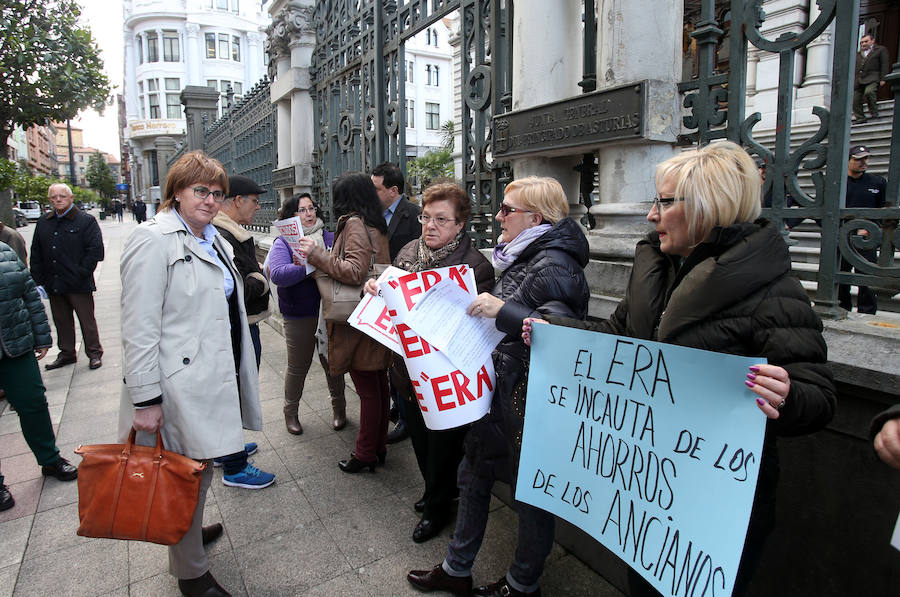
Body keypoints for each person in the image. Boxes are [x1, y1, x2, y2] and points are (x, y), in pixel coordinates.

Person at [522, 141, 836, 597]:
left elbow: (818, 394)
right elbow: (619, 336)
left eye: (663, 202)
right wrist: (556, 334)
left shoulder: (773, 290)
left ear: (709, 206)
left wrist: (787, 395)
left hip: (716, 509)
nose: (651, 215)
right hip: (649, 496)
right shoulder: (654, 268)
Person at [407, 176, 589, 597]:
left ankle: (523, 584)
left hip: (530, 403)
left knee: (531, 496)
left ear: (535, 217)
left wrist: (502, 310)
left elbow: (561, 340)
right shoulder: (526, 257)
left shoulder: (557, 265)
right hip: (501, 395)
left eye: (508, 209)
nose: (499, 215)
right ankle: (457, 568)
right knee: (472, 474)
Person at [120, 151, 268, 597]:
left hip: (213, 375)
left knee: (199, 467)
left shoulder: (213, 238)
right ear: (177, 192)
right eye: (200, 190)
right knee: (184, 469)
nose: (209, 200)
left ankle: (188, 530)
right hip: (177, 385)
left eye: (217, 193)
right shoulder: (153, 240)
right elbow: (138, 327)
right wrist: (145, 400)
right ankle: (191, 574)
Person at [364, 182, 494, 544]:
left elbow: (474, 330)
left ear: (460, 224)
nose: (430, 226)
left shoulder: (475, 268)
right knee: (420, 441)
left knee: (443, 447)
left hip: (443, 379)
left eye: (441, 219)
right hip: (405, 372)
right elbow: (388, 287)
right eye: (425, 217)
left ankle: (439, 506)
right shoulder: (408, 249)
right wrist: (375, 287)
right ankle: (434, 491)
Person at [297, 173, 392, 473]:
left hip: (358, 317)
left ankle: (365, 453)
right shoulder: (374, 222)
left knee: (368, 387)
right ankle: (377, 447)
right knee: (377, 383)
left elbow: (353, 271)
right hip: (374, 312)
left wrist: (318, 255)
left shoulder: (354, 223)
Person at [0, 241, 79, 513]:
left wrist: (42, 337)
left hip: (16, 347)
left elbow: (30, 296)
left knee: (33, 402)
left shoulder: (4, 252)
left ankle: (50, 459)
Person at [268, 193, 347, 435]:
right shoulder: (283, 243)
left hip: (330, 310)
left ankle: (340, 410)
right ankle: (290, 413)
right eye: (302, 210)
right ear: (291, 216)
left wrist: (320, 261)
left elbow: (343, 267)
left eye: (311, 208)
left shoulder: (330, 237)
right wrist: (310, 265)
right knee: (297, 367)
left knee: (332, 364)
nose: (309, 213)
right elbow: (278, 274)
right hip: (299, 313)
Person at [371, 162, 422, 444]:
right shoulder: (373, 215)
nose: (371, 193)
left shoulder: (415, 216)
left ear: (393, 190)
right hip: (382, 296)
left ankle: (407, 419)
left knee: (404, 363)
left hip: (408, 299)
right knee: (390, 359)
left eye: (375, 188)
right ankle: (397, 406)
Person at [30, 183, 104, 370]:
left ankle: (94, 353)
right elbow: (36, 252)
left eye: (62, 196)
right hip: (54, 282)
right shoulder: (43, 222)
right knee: (61, 321)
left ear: (71, 198)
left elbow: (95, 250)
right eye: (54, 197)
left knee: (87, 321)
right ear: (49, 200)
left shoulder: (85, 220)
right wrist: (39, 280)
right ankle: (67, 353)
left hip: (78, 283)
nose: (58, 200)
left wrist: (82, 272)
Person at [213, 175, 271, 366]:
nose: (258, 206)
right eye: (255, 201)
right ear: (238, 200)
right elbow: (232, 288)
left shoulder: (231, 233)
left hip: (244, 324)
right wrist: (259, 279)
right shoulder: (223, 237)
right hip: (238, 328)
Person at [840, 144, 886, 314]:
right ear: (848, 161)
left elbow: (884, 210)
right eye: (858, 159)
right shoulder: (838, 183)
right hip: (842, 237)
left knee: (867, 278)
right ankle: (841, 308)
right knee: (840, 275)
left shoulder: (878, 182)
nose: (863, 162)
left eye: (866, 158)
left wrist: (872, 228)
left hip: (867, 238)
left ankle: (867, 312)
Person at [853, 33, 890, 123]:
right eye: (861, 42)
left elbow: (884, 64)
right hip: (859, 80)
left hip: (873, 77)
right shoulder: (858, 54)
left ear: (872, 41)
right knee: (855, 99)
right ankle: (860, 117)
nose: (863, 44)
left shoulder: (880, 50)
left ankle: (874, 112)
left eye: (866, 41)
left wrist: (883, 78)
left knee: (869, 92)